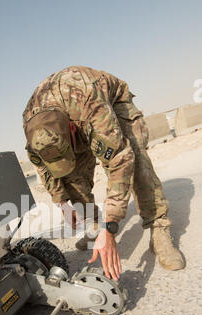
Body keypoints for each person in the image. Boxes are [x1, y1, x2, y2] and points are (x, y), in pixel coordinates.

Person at [22, 66, 185, 281]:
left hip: (111, 102)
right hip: (69, 115)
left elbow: (119, 160)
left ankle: (159, 228)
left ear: (72, 130)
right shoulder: (32, 126)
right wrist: (62, 203)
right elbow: (44, 169)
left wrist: (111, 228)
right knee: (72, 178)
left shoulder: (89, 104)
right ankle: (94, 226)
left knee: (135, 159)